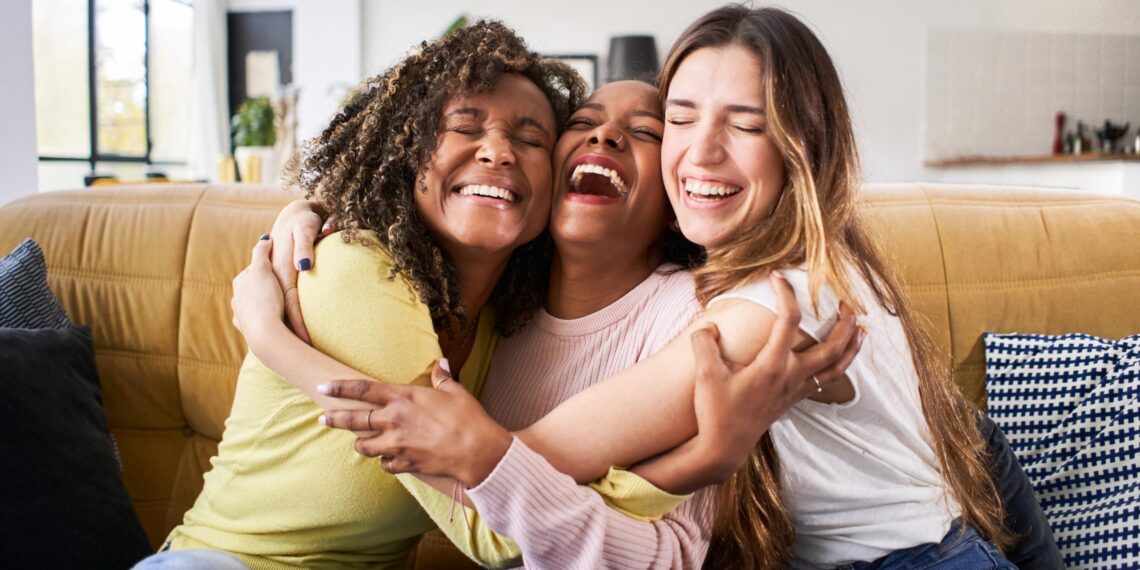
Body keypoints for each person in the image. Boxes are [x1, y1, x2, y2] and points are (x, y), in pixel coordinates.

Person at [316, 6, 1037, 569]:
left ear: (801, 148)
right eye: (684, 117)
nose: (702, 149)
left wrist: (284, 347)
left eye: (746, 124)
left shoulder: (774, 307)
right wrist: (313, 210)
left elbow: (514, 462)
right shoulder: (538, 281)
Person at [243, 76, 861, 569]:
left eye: (644, 131)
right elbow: (426, 198)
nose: (605, 137)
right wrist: (312, 204)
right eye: (584, 124)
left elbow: (667, 554)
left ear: (678, 200)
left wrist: (274, 341)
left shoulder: (696, 320)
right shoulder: (493, 310)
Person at [136, 21, 589, 569]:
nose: (498, 152)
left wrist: (272, 329)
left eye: (530, 138)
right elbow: (491, 533)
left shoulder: (509, 316)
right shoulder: (358, 269)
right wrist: (692, 458)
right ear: (408, 155)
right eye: (464, 128)